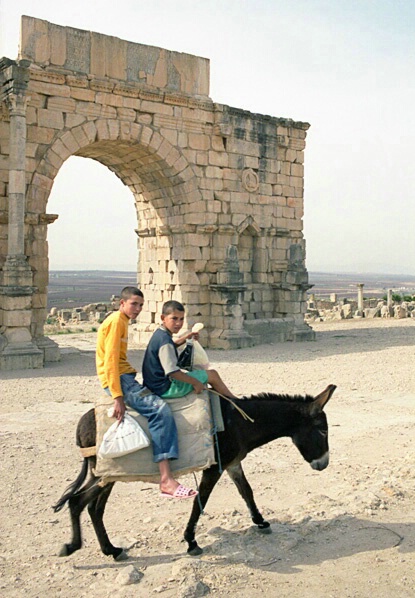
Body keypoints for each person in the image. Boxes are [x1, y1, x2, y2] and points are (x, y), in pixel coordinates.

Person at [96, 287, 198, 499]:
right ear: (121, 303)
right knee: (159, 410)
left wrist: (182, 339)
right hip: (120, 380)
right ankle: (166, 480)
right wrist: (118, 397)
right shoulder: (116, 322)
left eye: (141, 305)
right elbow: (110, 362)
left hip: (125, 377)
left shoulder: (122, 321)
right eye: (134, 304)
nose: (138, 309)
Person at [142, 300, 238, 401]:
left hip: (153, 384)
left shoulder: (160, 334)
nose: (178, 323)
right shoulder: (165, 341)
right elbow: (173, 372)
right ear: (163, 318)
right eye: (174, 319)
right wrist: (195, 382)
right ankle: (236, 402)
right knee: (212, 375)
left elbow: (169, 348)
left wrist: (186, 338)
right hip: (164, 388)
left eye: (181, 319)